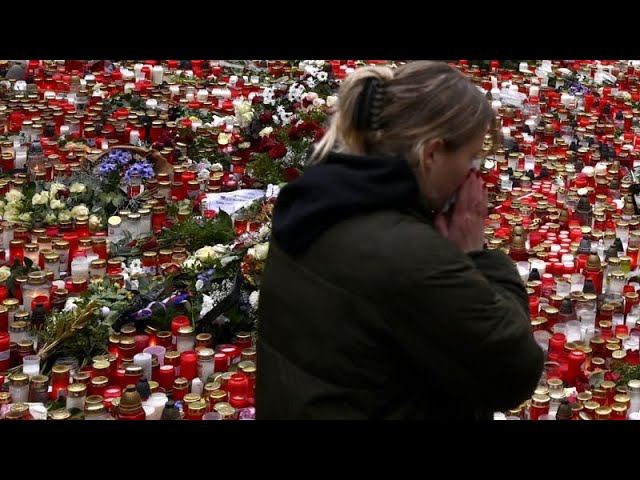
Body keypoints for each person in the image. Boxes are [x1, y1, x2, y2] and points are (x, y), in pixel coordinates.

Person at [256, 60, 544, 420]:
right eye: (471, 158)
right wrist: (475, 254)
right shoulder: (408, 253)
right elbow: (514, 370)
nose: (474, 175)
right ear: (432, 154)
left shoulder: (313, 200)